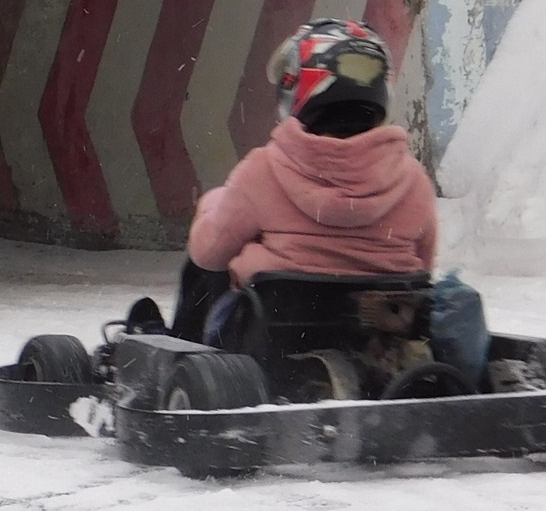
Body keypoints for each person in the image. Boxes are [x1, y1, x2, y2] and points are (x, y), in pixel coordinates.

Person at [169, 19, 440, 341]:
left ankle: (181, 349)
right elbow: (424, 263)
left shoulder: (264, 170)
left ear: (298, 84)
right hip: (383, 338)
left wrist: (215, 203)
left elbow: (208, 252)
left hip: (275, 341)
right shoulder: (413, 179)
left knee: (207, 271)